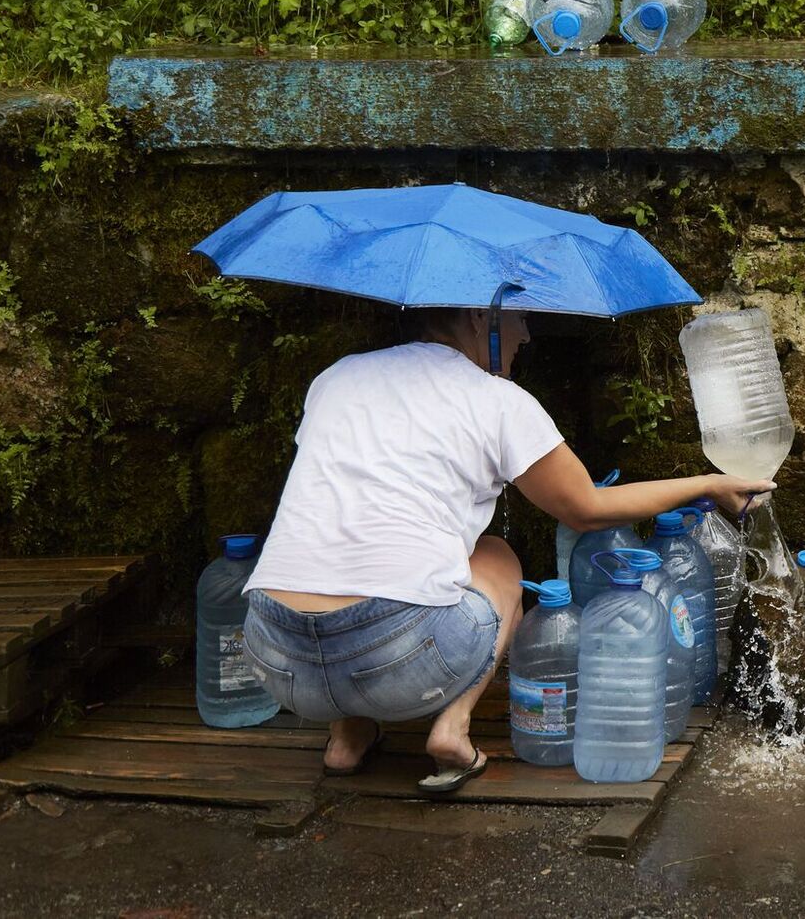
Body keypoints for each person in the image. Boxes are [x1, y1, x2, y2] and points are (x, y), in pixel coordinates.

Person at [240, 306, 771, 793]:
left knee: (345, 563)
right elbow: (584, 507)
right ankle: (453, 726)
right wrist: (706, 483)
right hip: (400, 664)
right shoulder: (499, 401)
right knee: (497, 557)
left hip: (276, 658)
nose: (526, 333)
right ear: (479, 318)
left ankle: (346, 739)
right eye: (518, 317)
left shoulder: (336, 378)